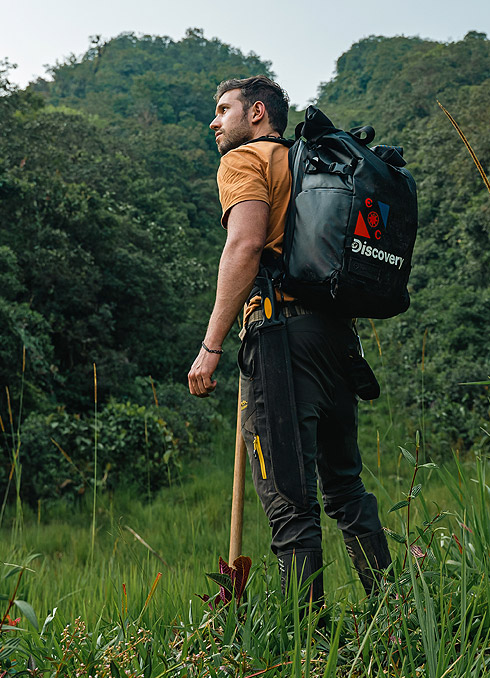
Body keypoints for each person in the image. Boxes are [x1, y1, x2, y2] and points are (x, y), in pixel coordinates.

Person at [188, 75, 390, 602]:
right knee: (346, 488)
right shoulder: (309, 163)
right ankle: (397, 617)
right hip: (334, 338)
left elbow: (246, 245)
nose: (215, 121)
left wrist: (211, 348)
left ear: (257, 113)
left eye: (223, 109)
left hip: (280, 340)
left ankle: (305, 647)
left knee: (289, 499)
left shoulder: (243, 161)